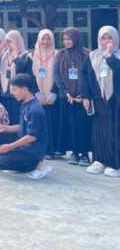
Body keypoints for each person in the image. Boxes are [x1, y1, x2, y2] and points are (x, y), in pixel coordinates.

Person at [0, 73, 52, 179]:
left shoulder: (35, 110)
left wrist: (10, 146)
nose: (13, 93)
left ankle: (38, 165)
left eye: (15, 90)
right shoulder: (25, 104)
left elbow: (32, 137)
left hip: (33, 149)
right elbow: (21, 126)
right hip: (24, 143)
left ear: (24, 90)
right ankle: (17, 162)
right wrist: (4, 128)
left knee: (0, 162)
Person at [81, 25, 120, 176]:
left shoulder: (117, 56)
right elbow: (84, 77)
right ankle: (99, 161)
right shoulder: (92, 56)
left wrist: (110, 56)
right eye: (103, 38)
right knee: (99, 132)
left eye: (110, 38)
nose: (106, 41)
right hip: (98, 99)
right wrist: (85, 97)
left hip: (115, 100)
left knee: (114, 131)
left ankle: (115, 164)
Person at [54, 27, 90, 166]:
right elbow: (57, 75)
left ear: (76, 38)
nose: (66, 42)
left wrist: (84, 94)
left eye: (69, 39)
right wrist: (66, 92)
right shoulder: (61, 55)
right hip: (67, 98)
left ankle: (85, 154)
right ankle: (74, 153)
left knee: (83, 125)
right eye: (64, 39)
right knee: (72, 125)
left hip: (83, 98)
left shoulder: (86, 54)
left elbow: (89, 75)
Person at [32, 29, 60, 158]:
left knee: (52, 123)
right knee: (40, 124)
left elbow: (59, 76)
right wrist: (38, 95)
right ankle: (42, 149)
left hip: (52, 97)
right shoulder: (32, 56)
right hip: (39, 97)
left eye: (49, 39)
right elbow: (31, 77)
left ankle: (52, 150)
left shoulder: (57, 55)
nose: (46, 42)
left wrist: (52, 94)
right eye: (43, 38)